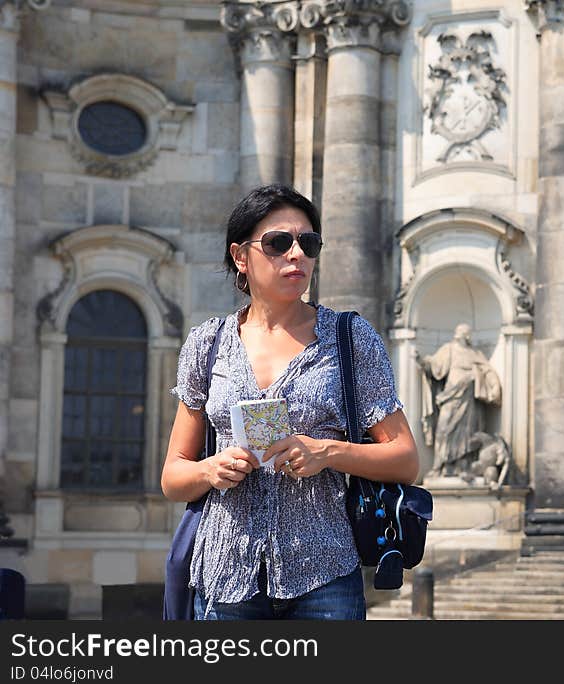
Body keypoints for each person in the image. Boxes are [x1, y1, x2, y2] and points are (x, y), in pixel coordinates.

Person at [160, 184, 419, 620]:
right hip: (226, 577)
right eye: (279, 243)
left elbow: (405, 459)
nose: (296, 254)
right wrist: (210, 468)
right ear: (241, 256)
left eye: (308, 242)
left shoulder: (351, 339)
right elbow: (173, 476)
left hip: (326, 576)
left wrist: (328, 452)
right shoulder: (207, 344)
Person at [416, 323, 501, 478]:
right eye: (460, 332)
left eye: (464, 332)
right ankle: (439, 465)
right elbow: (434, 366)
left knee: (468, 432)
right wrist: (423, 362)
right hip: (450, 396)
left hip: (469, 399)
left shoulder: (474, 353)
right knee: (443, 429)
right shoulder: (448, 349)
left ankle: (463, 466)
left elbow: (487, 370)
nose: (461, 335)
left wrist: (494, 386)